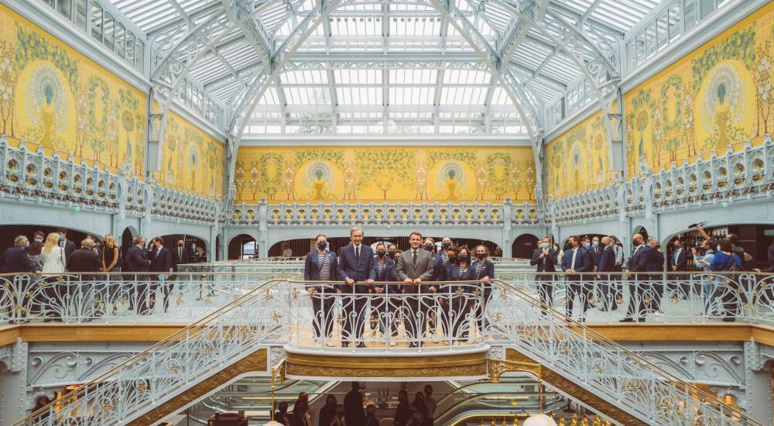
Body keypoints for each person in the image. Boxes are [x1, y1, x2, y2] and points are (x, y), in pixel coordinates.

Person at [337, 226, 375, 348]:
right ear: (351, 237)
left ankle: (359, 341)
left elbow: (372, 267)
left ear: (362, 237)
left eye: (359, 236)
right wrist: (346, 278)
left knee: (360, 315)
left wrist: (371, 278)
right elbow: (340, 268)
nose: (357, 238)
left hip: (363, 288)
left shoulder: (368, 250)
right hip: (348, 288)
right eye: (355, 236)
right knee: (347, 314)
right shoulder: (344, 250)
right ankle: (345, 340)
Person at [397, 231, 434, 347]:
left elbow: (430, 271)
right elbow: (399, 271)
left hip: (422, 290)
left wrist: (421, 278)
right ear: (409, 241)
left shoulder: (427, 254)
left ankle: (419, 340)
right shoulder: (403, 255)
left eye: (417, 239)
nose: (415, 241)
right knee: (409, 316)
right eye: (413, 239)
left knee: (422, 316)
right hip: (408, 290)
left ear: (421, 241)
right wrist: (405, 278)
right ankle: (411, 339)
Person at [304, 234, 338, 346]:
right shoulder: (310, 255)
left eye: (324, 241)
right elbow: (307, 272)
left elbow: (336, 272)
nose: (322, 243)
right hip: (316, 289)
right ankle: (317, 337)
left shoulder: (332, 255)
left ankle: (328, 337)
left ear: (326, 242)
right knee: (318, 313)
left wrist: (337, 286)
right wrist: (308, 287)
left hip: (330, 289)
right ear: (316, 242)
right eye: (320, 241)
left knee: (329, 314)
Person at [1, 235, 43, 322]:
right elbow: (26, 261)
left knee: (12, 297)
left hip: (10, 277)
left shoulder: (9, 250)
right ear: (21, 242)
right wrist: (35, 270)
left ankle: (12, 317)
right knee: (23, 297)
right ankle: (22, 317)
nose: (28, 242)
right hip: (20, 278)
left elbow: (2, 260)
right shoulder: (21, 251)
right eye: (26, 240)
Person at [443, 245, 473, 342]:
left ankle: (463, 336)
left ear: (468, 255)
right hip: (453, 296)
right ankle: (452, 337)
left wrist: (472, 298)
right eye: (460, 253)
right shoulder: (452, 267)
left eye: (464, 253)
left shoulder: (471, 268)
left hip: (465, 296)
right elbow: (448, 281)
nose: (462, 255)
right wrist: (446, 296)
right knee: (452, 316)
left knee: (464, 316)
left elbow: (473, 283)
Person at [560, 236, 593, 321]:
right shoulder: (566, 252)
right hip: (569, 278)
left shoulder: (584, 252)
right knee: (569, 298)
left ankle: (582, 317)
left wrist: (576, 271)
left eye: (570, 241)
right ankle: (568, 316)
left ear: (576, 242)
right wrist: (566, 270)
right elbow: (562, 264)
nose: (569, 242)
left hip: (580, 278)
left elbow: (587, 265)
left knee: (582, 298)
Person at [710, 239, 742, 322]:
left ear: (721, 246)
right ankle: (732, 314)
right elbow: (739, 264)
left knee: (724, 296)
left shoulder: (719, 255)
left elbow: (713, 266)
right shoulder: (734, 255)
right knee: (731, 296)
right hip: (733, 278)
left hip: (722, 278)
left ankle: (728, 315)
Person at [372, 242, 397, 341]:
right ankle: (374, 333)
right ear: (376, 250)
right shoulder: (372, 261)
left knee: (387, 312)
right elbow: (370, 274)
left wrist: (383, 287)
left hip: (387, 290)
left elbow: (391, 277)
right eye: (379, 249)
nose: (381, 251)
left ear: (385, 250)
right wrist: (374, 287)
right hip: (375, 291)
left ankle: (387, 333)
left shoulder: (390, 262)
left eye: (382, 249)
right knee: (375, 312)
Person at [530, 237, 558, 311]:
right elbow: (532, 263)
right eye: (543, 241)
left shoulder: (553, 251)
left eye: (546, 241)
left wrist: (548, 254)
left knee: (550, 294)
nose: (544, 243)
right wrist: (540, 257)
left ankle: (551, 311)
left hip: (550, 276)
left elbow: (555, 262)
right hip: (540, 276)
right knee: (542, 296)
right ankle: (543, 312)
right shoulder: (537, 251)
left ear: (549, 243)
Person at [126, 236, 151, 314]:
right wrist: (148, 262)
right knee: (141, 291)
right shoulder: (136, 249)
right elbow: (139, 260)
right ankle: (141, 309)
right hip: (140, 273)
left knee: (141, 291)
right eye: (143, 241)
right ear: (141, 242)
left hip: (139, 273)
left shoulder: (135, 249)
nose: (144, 243)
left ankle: (142, 308)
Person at [693, 239, 717, 315]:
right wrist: (698, 255)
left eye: (703, 244)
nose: (701, 246)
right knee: (705, 294)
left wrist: (694, 256)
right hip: (707, 276)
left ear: (708, 246)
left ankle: (714, 311)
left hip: (709, 277)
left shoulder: (709, 255)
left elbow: (699, 265)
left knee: (710, 294)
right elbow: (702, 260)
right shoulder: (708, 254)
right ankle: (705, 311)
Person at [149, 237, 172, 313]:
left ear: (158, 242)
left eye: (154, 242)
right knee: (152, 290)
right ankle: (151, 306)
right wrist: (150, 249)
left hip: (161, 274)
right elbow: (151, 261)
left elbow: (168, 262)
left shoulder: (166, 251)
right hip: (154, 274)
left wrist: (166, 272)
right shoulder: (154, 251)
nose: (153, 243)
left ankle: (165, 307)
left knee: (164, 290)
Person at [596, 236, 618, 311]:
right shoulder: (610, 249)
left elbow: (603, 263)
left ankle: (605, 306)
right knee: (611, 290)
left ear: (605, 242)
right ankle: (614, 305)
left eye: (602, 241)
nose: (600, 243)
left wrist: (600, 272)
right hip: (610, 273)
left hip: (606, 273)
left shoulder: (607, 250)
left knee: (606, 290)